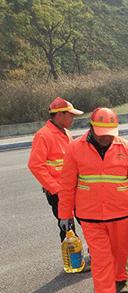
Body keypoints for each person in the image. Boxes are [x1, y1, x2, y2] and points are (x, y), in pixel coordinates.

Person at [58, 108, 128, 293]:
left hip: (120, 214)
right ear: (91, 128)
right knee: (100, 259)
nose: (107, 137)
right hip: (90, 216)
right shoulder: (75, 149)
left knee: (119, 251)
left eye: (110, 132)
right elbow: (67, 185)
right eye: (102, 132)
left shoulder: (126, 148)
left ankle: (120, 277)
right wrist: (64, 214)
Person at [28, 97, 86, 246]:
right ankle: (74, 264)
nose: (73, 118)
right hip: (59, 192)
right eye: (70, 115)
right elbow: (35, 165)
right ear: (59, 115)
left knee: (87, 221)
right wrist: (56, 189)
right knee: (68, 228)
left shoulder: (66, 132)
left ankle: (94, 255)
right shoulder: (43, 135)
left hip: (73, 188)